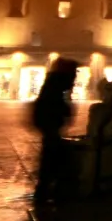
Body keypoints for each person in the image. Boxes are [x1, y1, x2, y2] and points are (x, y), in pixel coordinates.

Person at [32, 59, 79, 204]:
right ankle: (45, 190)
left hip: (50, 123)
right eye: (73, 76)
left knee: (51, 154)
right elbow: (54, 104)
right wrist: (66, 111)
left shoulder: (54, 83)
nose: (74, 80)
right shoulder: (57, 84)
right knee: (51, 155)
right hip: (50, 123)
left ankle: (47, 188)